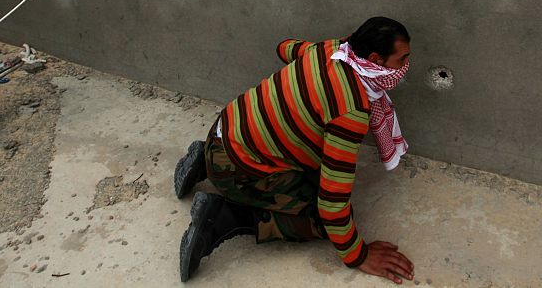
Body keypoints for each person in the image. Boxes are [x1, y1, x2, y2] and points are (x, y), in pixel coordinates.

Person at [174, 17, 415, 284]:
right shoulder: (350, 110)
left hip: (224, 128)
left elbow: (284, 47)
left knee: (306, 162)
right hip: (238, 169)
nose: (405, 67)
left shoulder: (331, 49)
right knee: (322, 221)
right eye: (402, 60)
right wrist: (358, 255)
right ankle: (224, 218)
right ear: (376, 59)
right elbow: (332, 205)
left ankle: (203, 162)